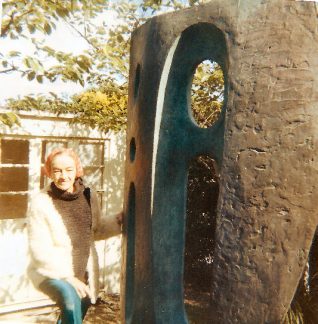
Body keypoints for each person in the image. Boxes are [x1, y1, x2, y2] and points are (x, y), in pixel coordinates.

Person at [27, 147, 122, 324]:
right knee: (70, 299)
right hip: (50, 273)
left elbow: (96, 230)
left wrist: (119, 221)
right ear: (49, 172)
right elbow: (39, 250)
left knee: (74, 312)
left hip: (82, 272)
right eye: (57, 170)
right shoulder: (41, 202)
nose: (63, 176)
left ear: (77, 170)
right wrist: (67, 277)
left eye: (69, 170)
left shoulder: (88, 195)